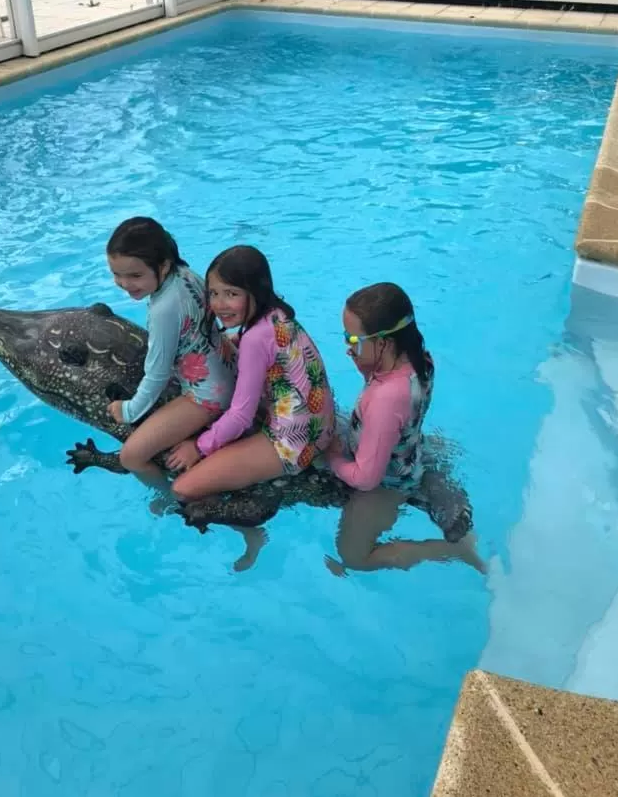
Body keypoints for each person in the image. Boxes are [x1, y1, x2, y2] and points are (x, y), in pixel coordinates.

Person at [167, 246, 335, 567]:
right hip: (321, 428)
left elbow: (240, 417)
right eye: (213, 293)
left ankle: (250, 530)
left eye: (231, 293)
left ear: (255, 292)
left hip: (292, 445)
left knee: (184, 488)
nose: (219, 304)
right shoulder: (278, 315)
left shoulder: (256, 338)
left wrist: (198, 447)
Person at [325, 282, 485, 575]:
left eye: (353, 339)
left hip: (388, 483)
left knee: (353, 557)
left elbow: (366, 479)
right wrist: (366, 366)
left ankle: (453, 550)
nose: (347, 347)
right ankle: (435, 491)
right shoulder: (420, 360)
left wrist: (334, 458)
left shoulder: (386, 399)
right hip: (410, 450)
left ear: (384, 343)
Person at [106, 217, 235, 488]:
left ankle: (166, 499)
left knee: (131, 457)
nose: (125, 283)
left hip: (208, 395)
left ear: (162, 266)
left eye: (135, 275)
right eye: (117, 274)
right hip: (229, 364)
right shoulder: (185, 273)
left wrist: (129, 411)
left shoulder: (163, 309)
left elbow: (157, 374)